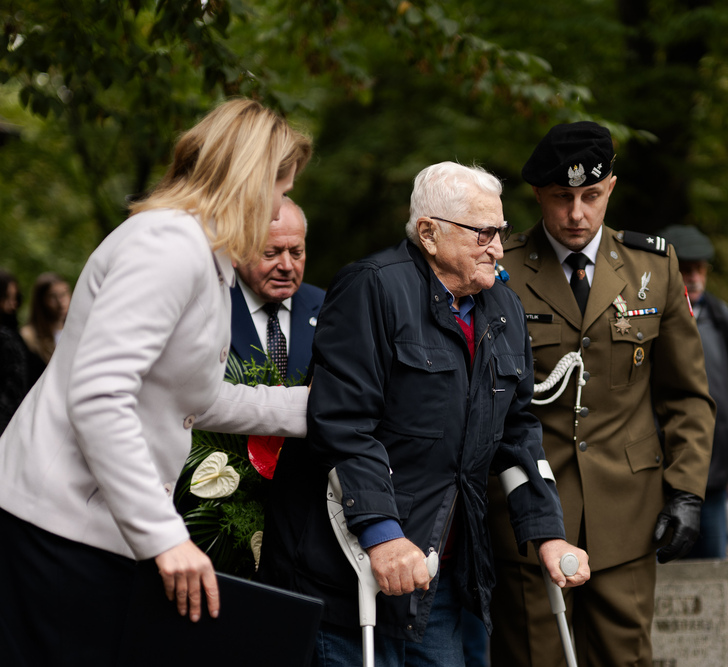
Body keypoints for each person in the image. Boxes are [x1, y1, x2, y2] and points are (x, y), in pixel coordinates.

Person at [0, 98, 313, 666]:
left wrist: (317, 408)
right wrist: (164, 535)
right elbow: (99, 393)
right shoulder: (168, 245)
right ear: (251, 179)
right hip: (56, 526)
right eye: (281, 188)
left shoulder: (201, 253)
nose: (280, 205)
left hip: (93, 530)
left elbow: (193, 398)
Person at [257, 161, 589, 667]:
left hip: (437, 580)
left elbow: (518, 431)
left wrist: (546, 530)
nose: (498, 249)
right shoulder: (372, 288)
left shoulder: (502, 307)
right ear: (429, 233)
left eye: (500, 232)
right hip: (348, 577)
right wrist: (383, 535)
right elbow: (344, 424)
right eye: (483, 233)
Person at [486, 121, 715, 667]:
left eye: (590, 196)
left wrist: (686, 491)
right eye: (561, 198)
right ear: (538, 194)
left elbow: (686, 396)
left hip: (628, 515)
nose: (576, 214)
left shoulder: (652, 266)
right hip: (529, 515)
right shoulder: (501, 269)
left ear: (610, 187)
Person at [661, 225, 728, 560]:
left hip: (715, 475)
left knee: (715, 570)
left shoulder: (719, 315)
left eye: (700, 269)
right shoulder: (651, 316)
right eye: (686, 269)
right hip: (666, 477)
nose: (694, 278)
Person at [230, 196, 324, 383]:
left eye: (297, 253)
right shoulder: (211, 307)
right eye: (271, 254)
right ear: (238, 251)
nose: (287, 266)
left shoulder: (326, 307)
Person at [20, 271, 70, 379]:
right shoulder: (29, 336)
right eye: (53, 296)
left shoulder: (76, 331)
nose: (61, 302)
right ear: (41, 300)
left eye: (63, 294)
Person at [0, 270, 31, 431]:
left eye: (15, 297)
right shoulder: (6, 337)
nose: (12, 304)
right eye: (7, 297)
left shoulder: (11, 334)